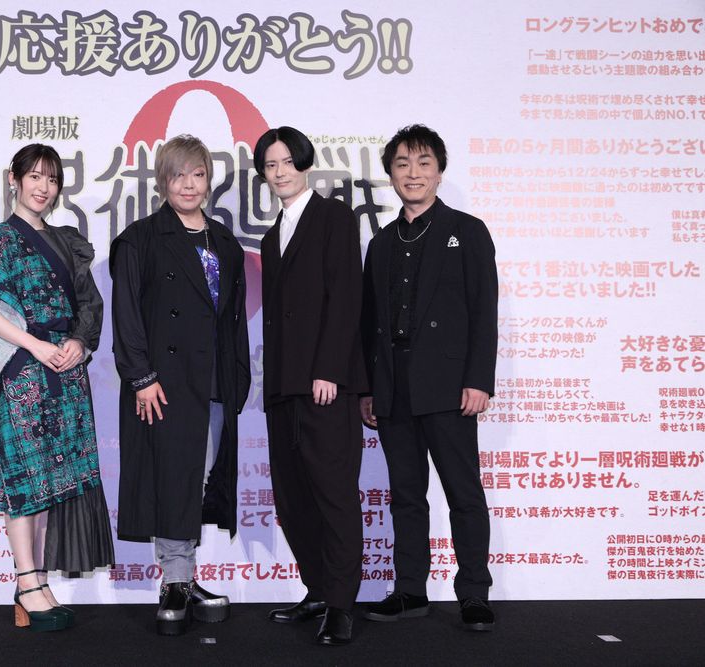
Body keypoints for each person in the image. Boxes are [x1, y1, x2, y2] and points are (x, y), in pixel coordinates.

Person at [0, 143, 114, 632]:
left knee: (51, 482)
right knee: (25, 481)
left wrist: (79, 343)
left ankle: (39, 582)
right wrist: (36, 346)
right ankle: (26, 583)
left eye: (52, 178)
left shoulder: (68, 241)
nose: (43, 187)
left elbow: (89, 305)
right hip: (23, 369)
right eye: (35, 177)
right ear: (15, 179)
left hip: (66, 371)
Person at [110, 134, 250, 636]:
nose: (188, 185)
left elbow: (233, 319)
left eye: (198, 174)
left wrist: (237, 378)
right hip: (164, 383)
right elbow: (126, 313)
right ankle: (175, 581)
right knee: (172, 478)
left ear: (209, 181)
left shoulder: (225, 242)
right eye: (178, 175)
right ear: (162, 182)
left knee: (197, 477)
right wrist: (141, 377)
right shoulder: (141, 238)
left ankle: (184, 579)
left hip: (213, 380)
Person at [359, 124, 498, 631]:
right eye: (402, 164)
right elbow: (368, 324)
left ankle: (474, 592)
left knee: (464, 492)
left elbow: (484, 311)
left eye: (423, 163)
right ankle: (410, 590)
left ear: (439, 171)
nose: (412, 173)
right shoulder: (381, 242)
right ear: (391, 175)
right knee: (405, 495)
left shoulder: (468, 231)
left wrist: (479, 379)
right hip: (394, 386)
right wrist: (369, 388)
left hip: (449, 386)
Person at [256, 126, 367, 646]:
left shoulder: (333, 217)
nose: (279, 172)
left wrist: (330, 369)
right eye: (270, 165)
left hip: (326, 384)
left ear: (304, 164)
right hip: (283, 386)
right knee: (293, 497)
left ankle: (342, 604)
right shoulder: (271, 235)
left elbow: (345, 297)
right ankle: (318, 589)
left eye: (286, 162)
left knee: (334, 494)